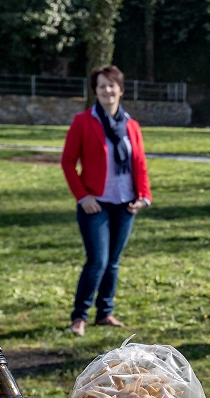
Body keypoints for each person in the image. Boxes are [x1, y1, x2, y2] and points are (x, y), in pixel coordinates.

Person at [60, 64, 152, 336]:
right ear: (96, 92)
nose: (107, 91)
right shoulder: (83, 122)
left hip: (125, 203)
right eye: (101, 86)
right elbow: (67, 162)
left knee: (113, 261)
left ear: (120, 90)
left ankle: (105, 313)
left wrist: (144, 197)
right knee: (97, 260)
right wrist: (83, 196)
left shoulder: (132, 126)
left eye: (111, 85)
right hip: (95, 204)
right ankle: (79, 316)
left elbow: (140, 164)